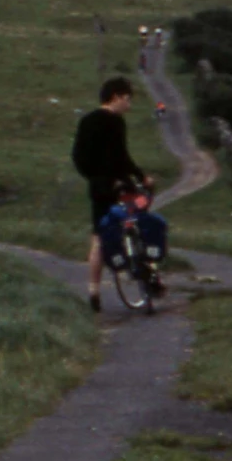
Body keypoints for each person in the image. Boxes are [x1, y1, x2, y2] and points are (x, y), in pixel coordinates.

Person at [70, 76, 146, 309]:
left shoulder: (87, 121)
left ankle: (94, 290)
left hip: (98, 188)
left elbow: (79, 157)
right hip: (120, 186)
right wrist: (141, 176)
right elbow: (122, 157)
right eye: (127, 99)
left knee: (98, 238)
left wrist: (94, 179)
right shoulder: (116, 122)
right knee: (137, 220)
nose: (129, 105)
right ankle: (141, 272)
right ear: (115, 97)